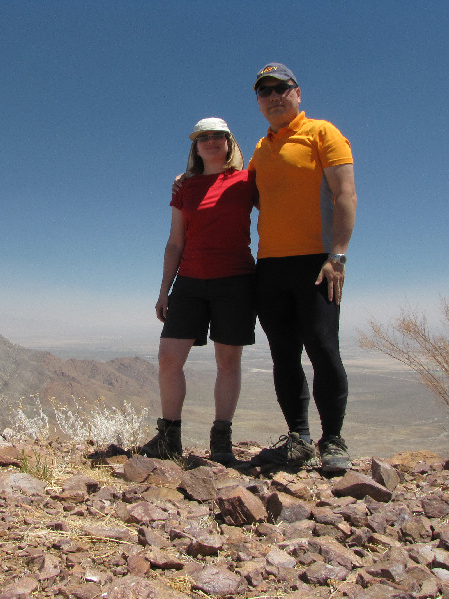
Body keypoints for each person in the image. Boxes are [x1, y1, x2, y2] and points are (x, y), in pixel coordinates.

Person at [247, 63, 357, 473]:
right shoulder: (260, 148)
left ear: (297, 92)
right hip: (271, 265)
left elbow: (345, 194)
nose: (273, 96)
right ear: (258, 101)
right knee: (283, 355)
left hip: (317, 262)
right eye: (264, 91)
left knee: (324, 349)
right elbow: (249, 195)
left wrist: (338, 255)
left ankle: (333, 440)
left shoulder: (322, 133)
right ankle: (299, 437)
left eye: (281, 88)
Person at [140, 117, 258, 464]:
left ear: (229, 142)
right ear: (195, 146)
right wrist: (164, 289)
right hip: (189, 281)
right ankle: (169, 438)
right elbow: (175, 241)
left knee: (227, 361)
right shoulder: (184, 188)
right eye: (202, 137)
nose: (209, 141)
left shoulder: (248, 179)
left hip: (235, 279)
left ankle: (221, 440)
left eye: (217, 136)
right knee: (168, 358)